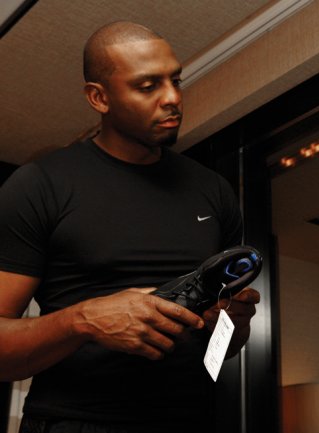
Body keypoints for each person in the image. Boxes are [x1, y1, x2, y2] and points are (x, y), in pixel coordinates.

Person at [0, 21, 260, 433]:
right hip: (76, 423)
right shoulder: (40, 185)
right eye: (148, 86)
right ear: (99, 97)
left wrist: (232, 322)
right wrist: (82, 320)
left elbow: (223, 348)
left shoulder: (214, 191)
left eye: (175, 80)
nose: (172, 98)